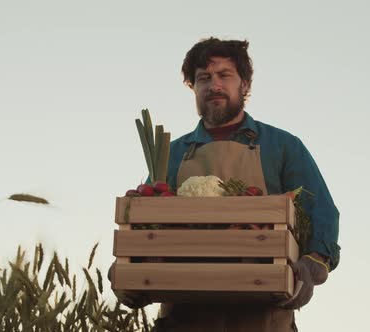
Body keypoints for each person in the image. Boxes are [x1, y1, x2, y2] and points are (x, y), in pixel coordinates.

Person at [112, 37, 340, 332]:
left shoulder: (281, 146)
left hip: (264, 320)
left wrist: (313, 262)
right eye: (203, 78)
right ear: (193, 88)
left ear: (244, 85)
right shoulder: (172, 154)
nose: (214, 85)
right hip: (184, 319)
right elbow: (144, 224)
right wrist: (130, 270)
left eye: (224, 75)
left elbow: (320, 210)